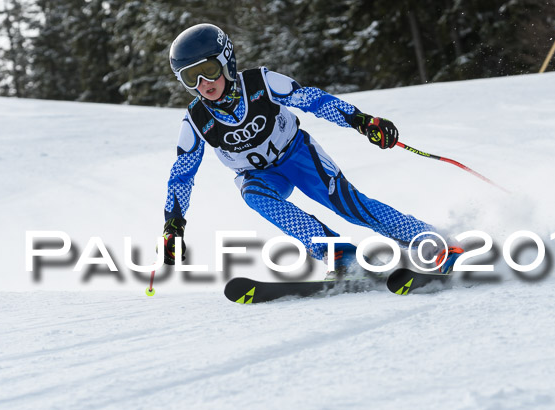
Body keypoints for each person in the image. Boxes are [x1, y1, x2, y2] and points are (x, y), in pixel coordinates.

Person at [161, 23, 462, 277]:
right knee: (254, 196)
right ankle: (341, 257)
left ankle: (433, 241)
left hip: (298, 157)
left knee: (347, 204)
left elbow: (312, 100)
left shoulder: (261, 82)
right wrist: (173, 223)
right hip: (259, 175)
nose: (204, 83)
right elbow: (182, 175)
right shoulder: (196, 120)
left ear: (226, 61)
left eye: (209, 70)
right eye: (191, 77)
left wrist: (360, 121)